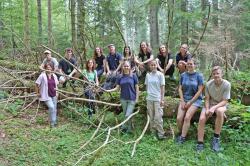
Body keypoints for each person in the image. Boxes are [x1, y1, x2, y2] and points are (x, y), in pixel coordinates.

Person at [196, 66, 231, 152]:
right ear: (212, 75)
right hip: (210, 104)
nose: (216, 75)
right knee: (202, 118)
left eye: (218, 73)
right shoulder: (208, 84)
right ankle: (200, 143)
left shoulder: (227, 84)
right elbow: (207, 99)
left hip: (221, 104)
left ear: (221, 74)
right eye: (214, 74)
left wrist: (214, 108)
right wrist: (208, 109)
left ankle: (216, 139)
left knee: (219, 111)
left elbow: (225, 101)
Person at [106, 61, 139, 133]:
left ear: (130, 67)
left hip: (132, 98)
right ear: (122, 67)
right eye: (125, 66)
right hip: (123, 98)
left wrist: (137, 98)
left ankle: (123, 127)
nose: (126, 67)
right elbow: (117, 88)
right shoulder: (120, 76)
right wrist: (109, 91)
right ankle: (129, 129)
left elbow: (137, 87)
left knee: (128, 115)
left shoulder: (133, 76)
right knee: (125, 114)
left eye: (127, 66)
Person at [176, 59, 204, 144]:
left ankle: (183, 138)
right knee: (179, 118)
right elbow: (180, 89)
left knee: (187, 117)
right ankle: (182, 132)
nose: (189, 65)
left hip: (195, 100)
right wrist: (182, 100)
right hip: (184, 99)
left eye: (191, 64)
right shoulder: (183, 75)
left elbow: (200, 91)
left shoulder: (199, 76)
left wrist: (190, 102)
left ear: (195, 65)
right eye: (188, 64)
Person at [145, 60, 166, 140]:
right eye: (152, 65)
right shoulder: (148, 75)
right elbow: (147, 87)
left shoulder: (160, 75)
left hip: (158, 98)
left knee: (158, 117)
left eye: (154, 65)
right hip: (149, 98)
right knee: (151, 116)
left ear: (157, 65)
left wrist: (162, 99)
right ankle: (153, 133)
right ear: (150, 66)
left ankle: (161, 134)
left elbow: (162, 87)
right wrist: (147, 95)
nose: (153, 66)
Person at [35, 62, 59, 128]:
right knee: (51, 107)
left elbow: (56, 85)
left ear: (52, 68)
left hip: (54, 94)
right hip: (46, 95)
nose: (49, 69)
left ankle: (53, 121)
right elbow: (37, 84)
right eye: (47, 67)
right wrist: (37, 93)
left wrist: (57, 92)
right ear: (45, 68)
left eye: (50, 67)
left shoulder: (54, 75)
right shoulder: (42, 75)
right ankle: (52, 123)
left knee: (54, 109)